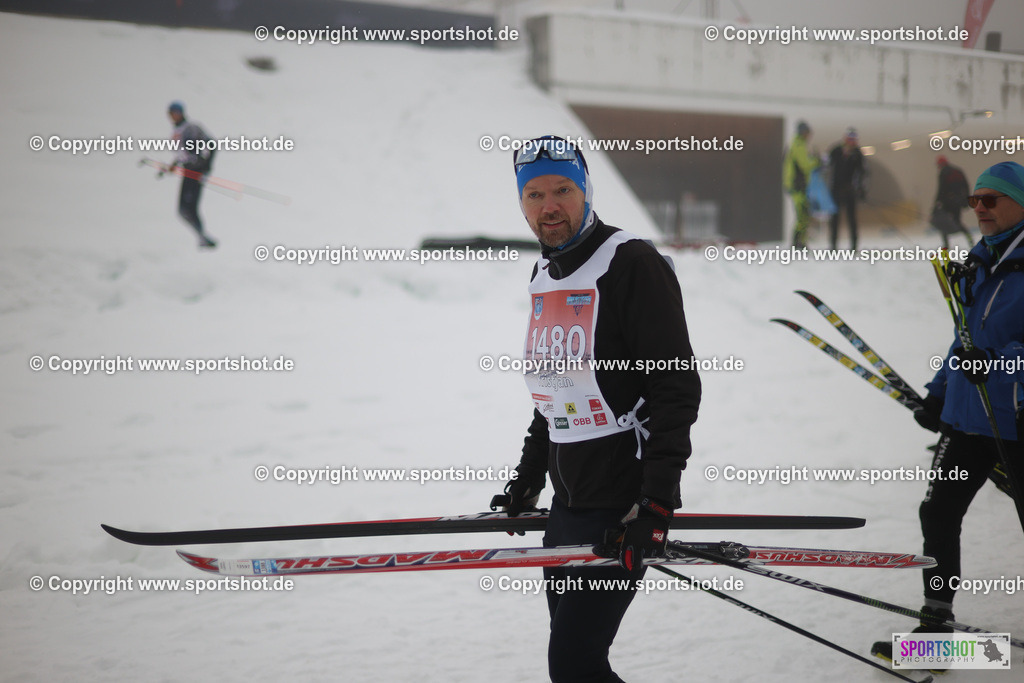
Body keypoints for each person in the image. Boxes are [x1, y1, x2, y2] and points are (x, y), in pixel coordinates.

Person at [494, 136, 701, 682]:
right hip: (567, 506)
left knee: (575, 665)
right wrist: (527, 478)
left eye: (562, 189)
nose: (548, 206)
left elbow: (676, 389)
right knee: (576, 666)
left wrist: (655, 504)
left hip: (620, 506)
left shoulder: (631, 262)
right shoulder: (545, 274)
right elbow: (555, 392)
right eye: (534, 194)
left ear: (585, 191)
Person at [873, 161, 1024, 666]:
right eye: (974, 200)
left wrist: (1001, 364)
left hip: (1017, 421)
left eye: (991, 199)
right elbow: (964, 338)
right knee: (937, 514)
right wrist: (940, 392)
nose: (979, 208)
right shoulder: (979, 261)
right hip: (969, 420)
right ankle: (935, 627)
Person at [162, 101, 217, 248]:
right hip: (188, 171)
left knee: (189, 208)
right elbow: (183, 153)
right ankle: (201, 236)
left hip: (196, 171)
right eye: (170, 113)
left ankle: (202, 237)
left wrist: (205, 165)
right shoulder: (177, 131)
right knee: (183, 210)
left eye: (174, 113)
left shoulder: (191, 128)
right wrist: (174, 165)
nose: (172, 116)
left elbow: (211, 144)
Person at [783, 121, 820, 249]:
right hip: (798, 186)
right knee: (802, 215)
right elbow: (805, 165)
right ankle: (798, 243)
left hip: (797, 185)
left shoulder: (796, 144)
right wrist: (816, 161)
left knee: (802, 215)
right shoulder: (798, 145)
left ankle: (799, 242)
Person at [827, 128, 866, 250]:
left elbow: (862, 173)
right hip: (836, 190)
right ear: (845, 139)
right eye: (850, 139)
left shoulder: (858, 154)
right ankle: (833, 246)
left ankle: (854, 246)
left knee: (852, 219)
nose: (852, 142)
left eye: (854, 140)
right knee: (834, 219)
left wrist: (860, 188)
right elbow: (826, 165)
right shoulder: (836, 150)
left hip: (850, 190)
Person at [932, 156, 973, 250]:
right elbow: (966, 185)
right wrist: (966, 199)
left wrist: (936, 202)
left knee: (944, 224)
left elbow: (941, 189)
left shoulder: (943, 172)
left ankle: (946, 246)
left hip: (948, 203)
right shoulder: (958, 171)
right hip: (958, 202)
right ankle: (970, 240)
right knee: (957, 221)